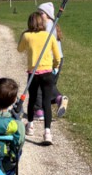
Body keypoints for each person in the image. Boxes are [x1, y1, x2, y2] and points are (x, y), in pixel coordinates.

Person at [17, 10, 61, 145]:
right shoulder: (49, 36)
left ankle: (30, 126)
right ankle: (47, 132)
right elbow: (57, 56)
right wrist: (54, 66)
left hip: (33, 73)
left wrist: (24, 36)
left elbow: (19, 49)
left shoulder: (27, 36)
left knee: (32, 99)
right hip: (47, 73)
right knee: (46, 102)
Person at [30, 1, 69, 120]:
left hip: (49, 60)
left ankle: (39, 110)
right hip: (57, 59)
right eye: (38, 13)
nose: (39, 15)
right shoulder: (52, 25)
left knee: (37, 84)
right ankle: (58, 99)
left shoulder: (47, 26)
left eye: (41, 13)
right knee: (48, 84)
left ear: (48, 15)